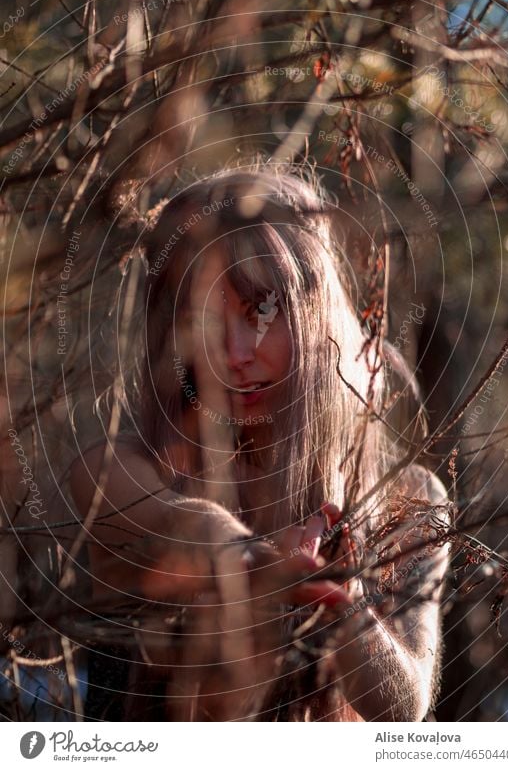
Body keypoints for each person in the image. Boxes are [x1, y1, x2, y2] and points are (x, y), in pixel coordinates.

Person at [69, 162, 450, 722]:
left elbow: (403, 709)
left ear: (317, 316)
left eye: (261, 313)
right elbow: (175, 520)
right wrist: (252, 558)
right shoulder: (120, 468)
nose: (236, 354)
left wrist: (339, 606)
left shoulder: (409, 497)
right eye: (205, 320)